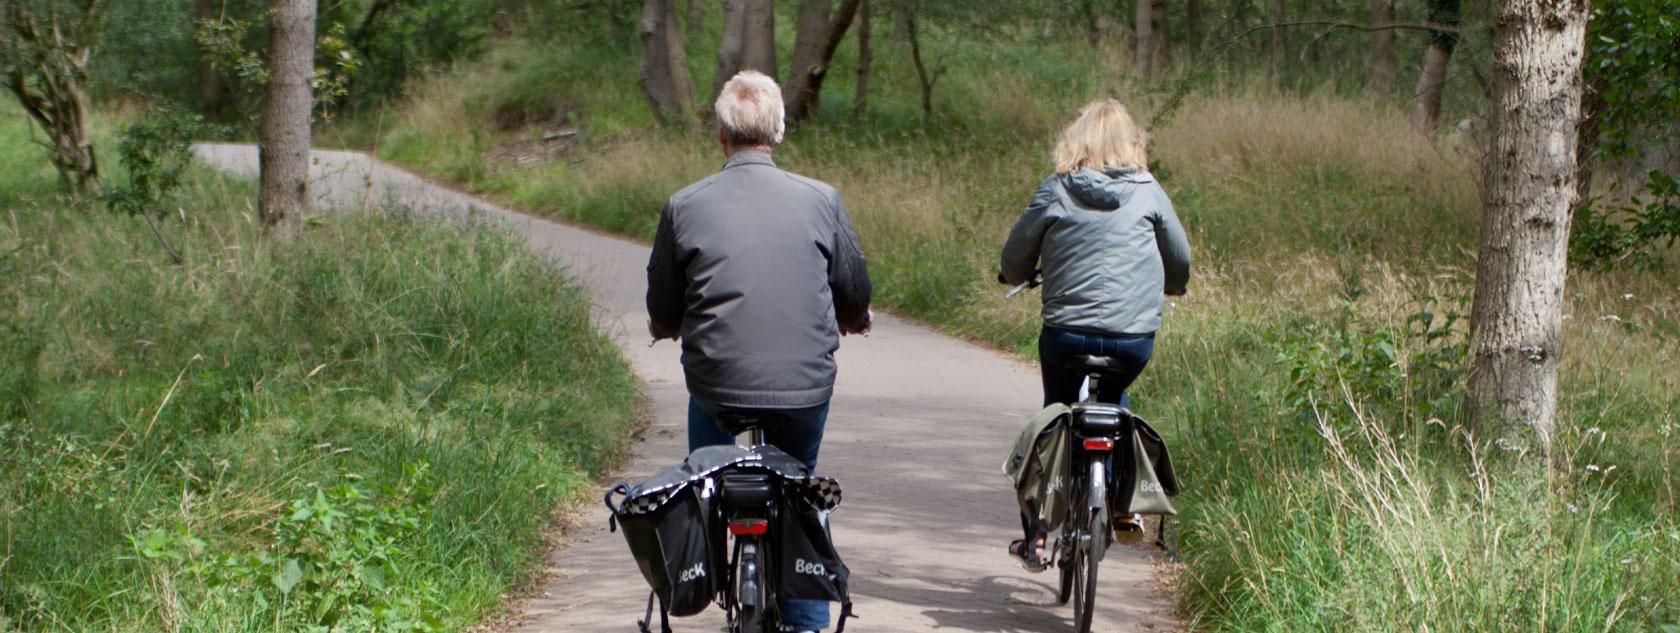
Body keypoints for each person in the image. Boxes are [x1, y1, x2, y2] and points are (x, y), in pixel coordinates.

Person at [645, 70, 873, 633]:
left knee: (709, 475)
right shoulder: (823, 200)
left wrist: (667, 325)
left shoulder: (683, 205)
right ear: (779, 134)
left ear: (720, 137)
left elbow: (664, 304)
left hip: (718, 387)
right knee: (801, 489)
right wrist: (853, 319)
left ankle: (708, 541)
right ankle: (807, 621)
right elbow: (854, 290)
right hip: (802, 387)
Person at [996, 98, 1191, 571]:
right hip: (1131, 340)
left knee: (1057, 414)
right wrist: (1173, 285)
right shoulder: (1148, 191)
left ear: (1075, 139)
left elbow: (1016, 256)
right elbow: (1179, 260)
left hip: (1067, 336)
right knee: (1117, 394)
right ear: (1132, 143)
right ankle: (1123, 504)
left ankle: (1037, 537)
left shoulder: (1057, 188)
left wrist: (1014, 273)